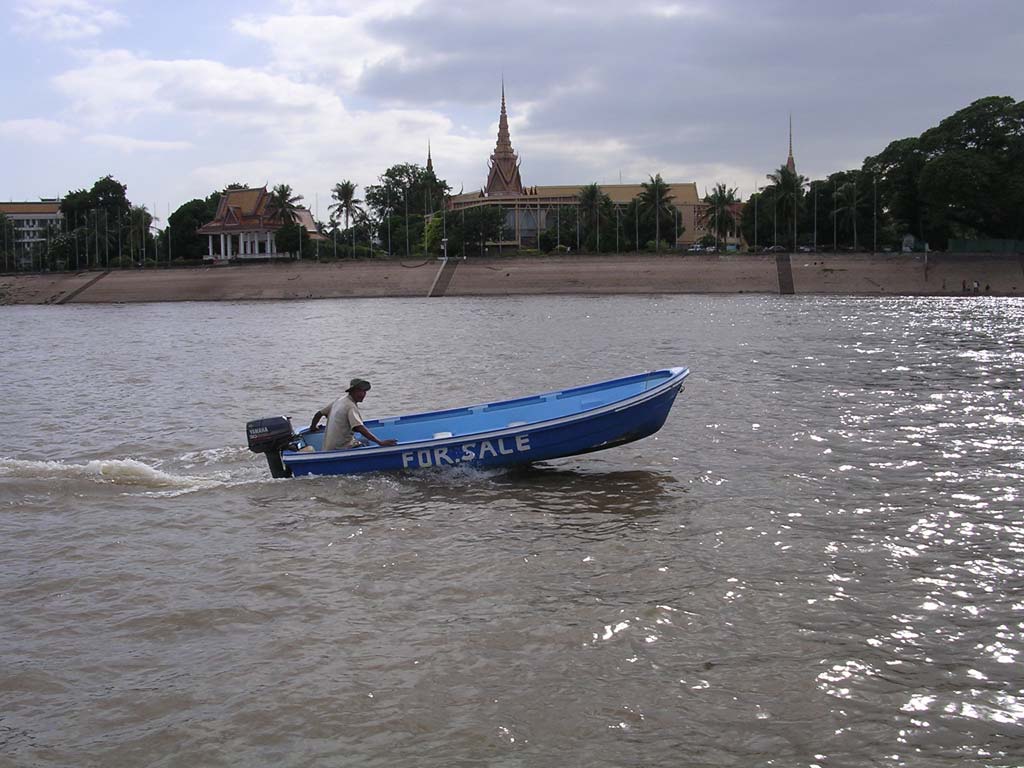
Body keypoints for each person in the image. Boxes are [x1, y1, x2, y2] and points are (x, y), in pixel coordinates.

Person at [309, 378, 398, 451]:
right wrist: (380, 442)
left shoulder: (340, 400)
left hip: (327, 449)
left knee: (362, 440)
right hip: (341, 449)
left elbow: (318, 414)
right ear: (352, 391)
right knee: (366, 443)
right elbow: (359, 428)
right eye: (359, 391)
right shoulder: (350, 406)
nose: (363, 394)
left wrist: (313, 427)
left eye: (364, 391)